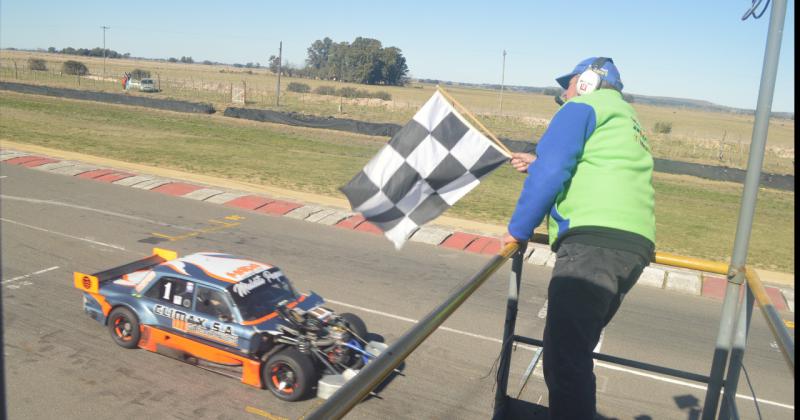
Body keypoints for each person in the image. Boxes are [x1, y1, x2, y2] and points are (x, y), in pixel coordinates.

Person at [502, 57, 656, 419]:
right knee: (574, 350)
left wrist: (517, 230)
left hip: (593, 245)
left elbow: (554, 171)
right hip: (629, 247)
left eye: (567, 84)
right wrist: (538, 161)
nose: (563, 93)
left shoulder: (582, 106)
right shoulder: (625, 116)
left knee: (565, 361)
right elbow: (595, 165)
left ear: (587, 81)